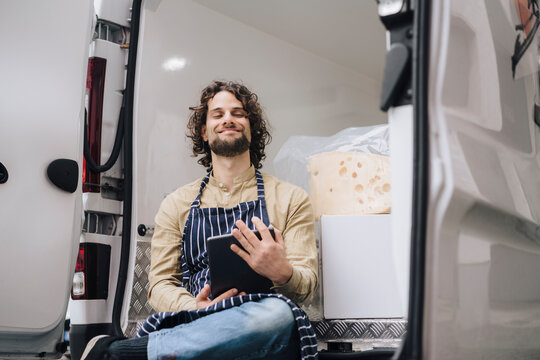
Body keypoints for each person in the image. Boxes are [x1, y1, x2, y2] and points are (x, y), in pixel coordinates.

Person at [81, 80, 319, 360]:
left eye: (238, 113)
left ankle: (120, 354)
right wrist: (196, 307)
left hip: (263, 323)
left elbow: (307, 285)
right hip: (199, 317)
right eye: (217, 114)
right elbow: (159, 285)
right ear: (204, 133)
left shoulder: (292, 198)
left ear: (252, 129)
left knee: (278, 315)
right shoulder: (176, 203)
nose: (228, 119)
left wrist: (282, 272)